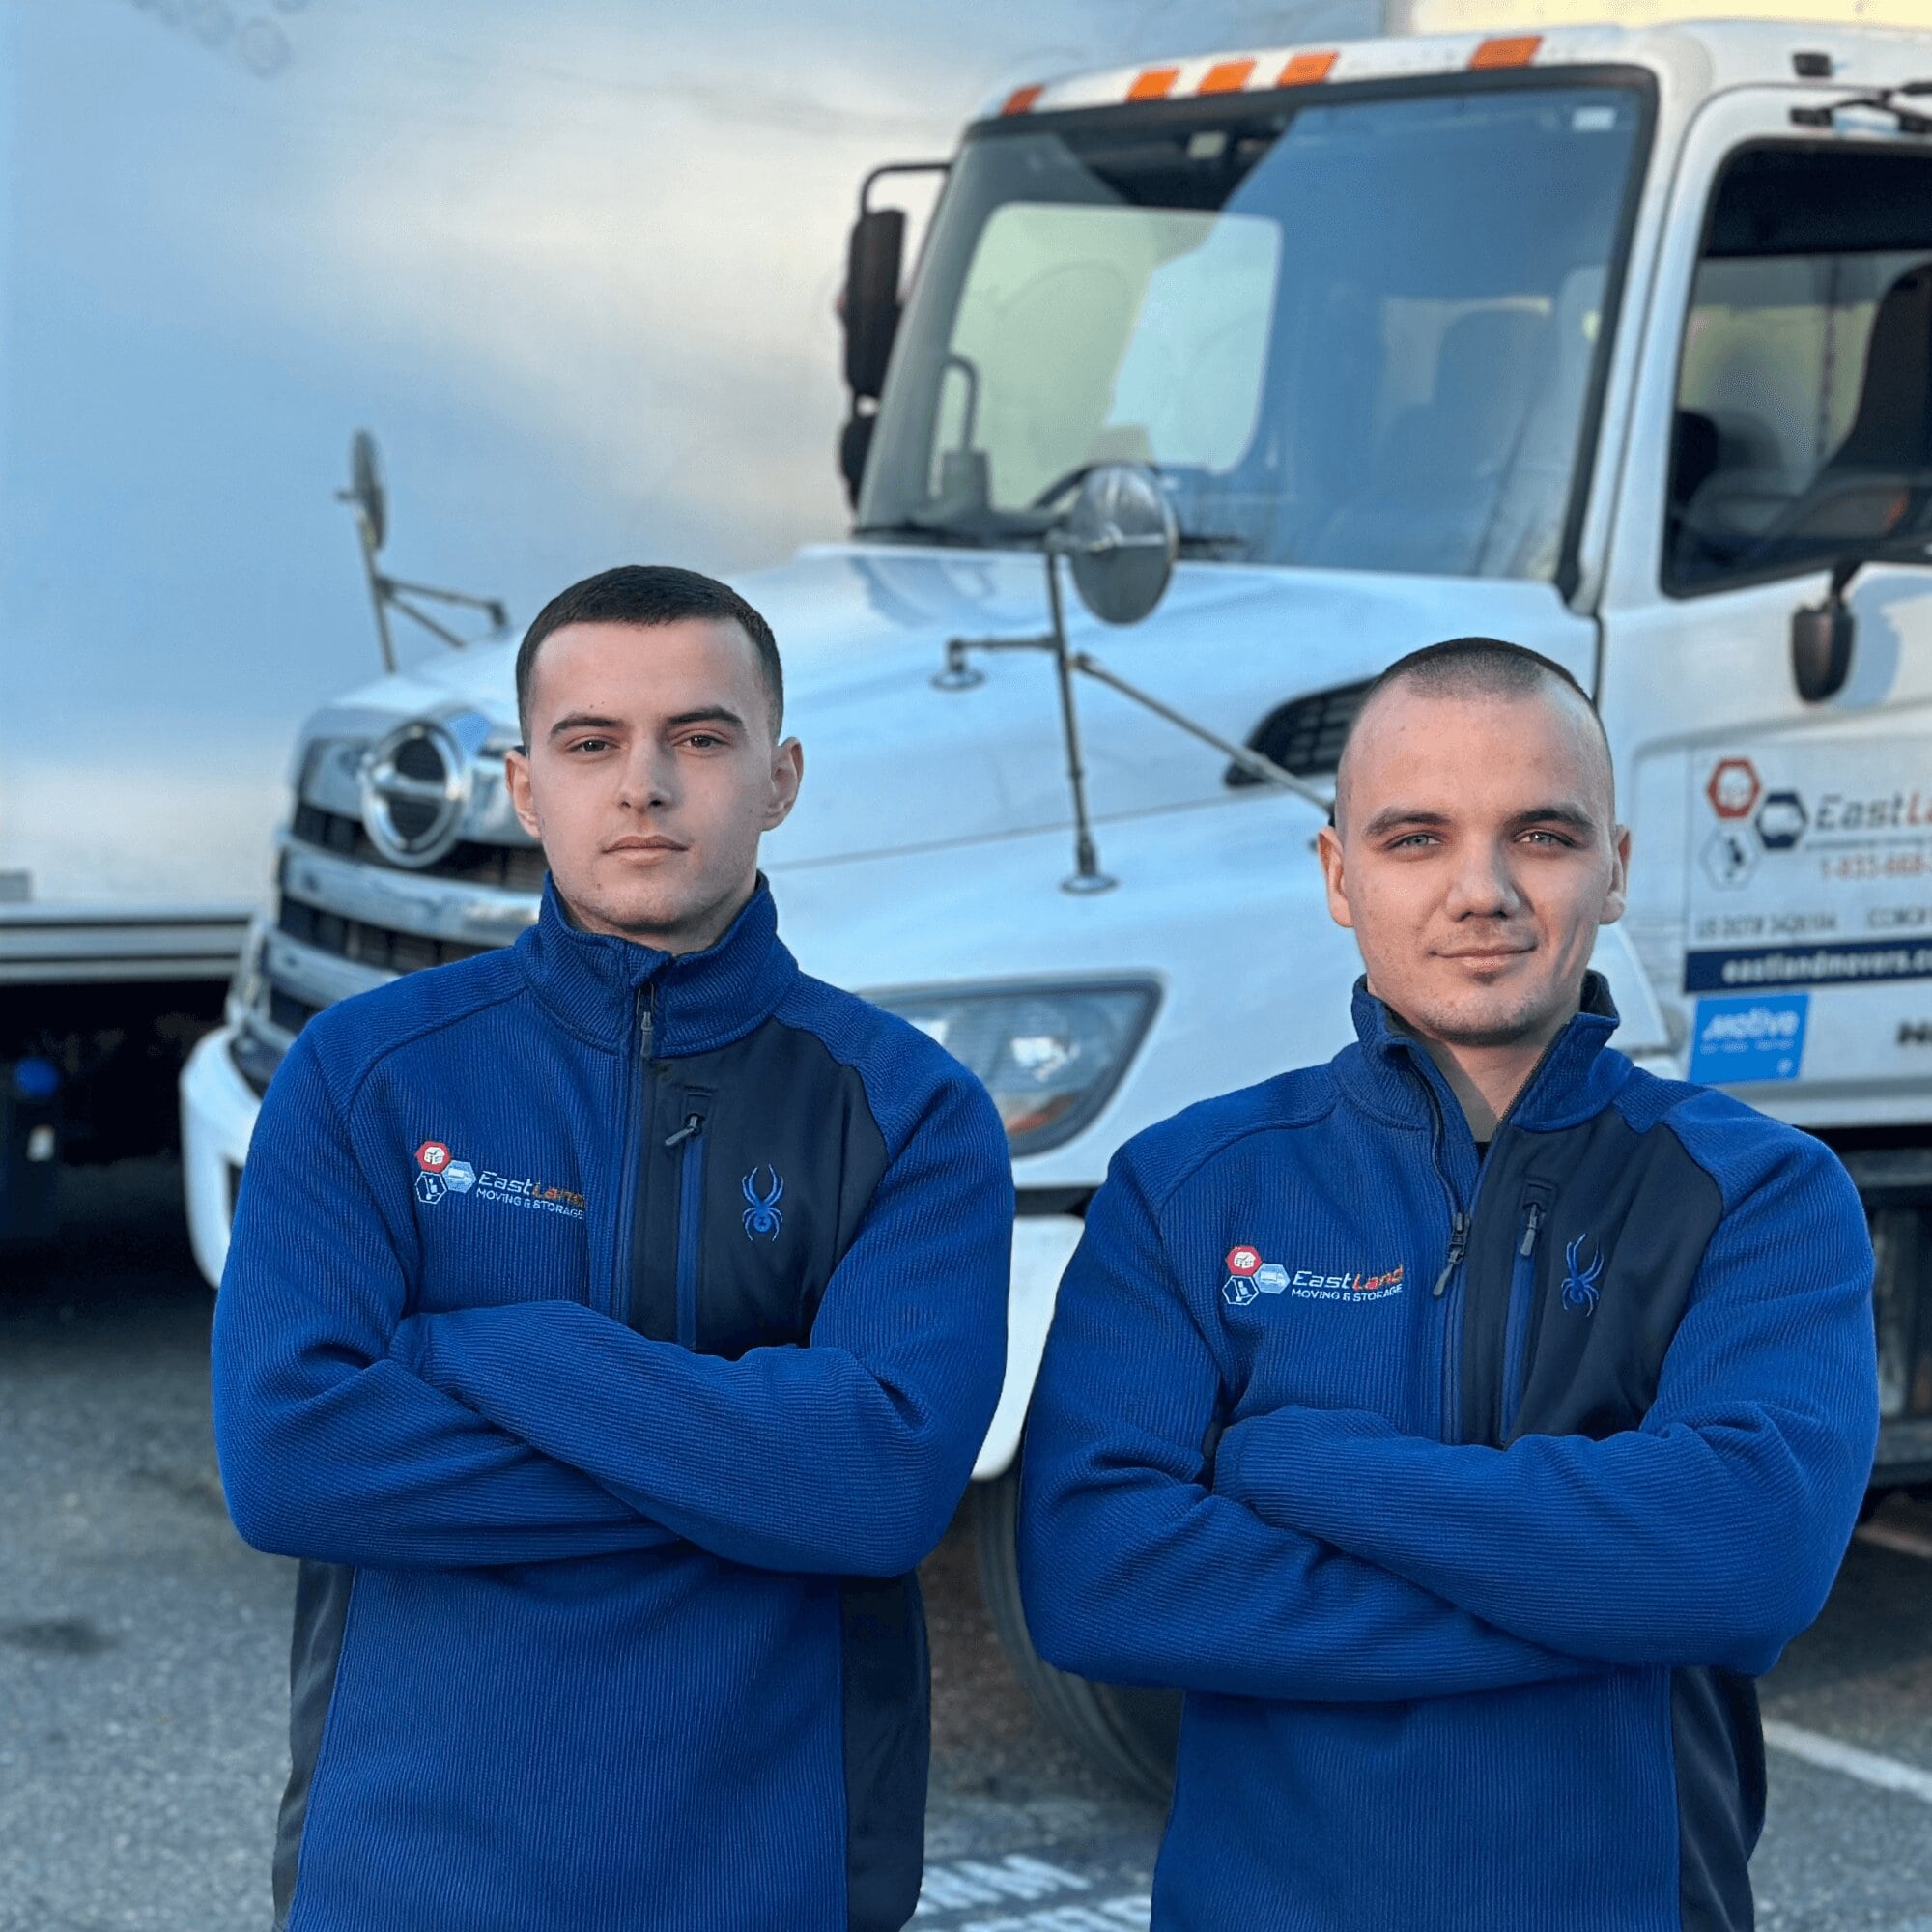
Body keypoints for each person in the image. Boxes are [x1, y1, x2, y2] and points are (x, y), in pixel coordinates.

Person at [1018, 638, 1877, 1932]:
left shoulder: (1763, 1192)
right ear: (1338, 875)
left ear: (1618, 868)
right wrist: (1608, 1605)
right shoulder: (1187, 1188)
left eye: (1540, 833)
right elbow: (1096, 1577)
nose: (1482, 890)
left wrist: (1296, 1465)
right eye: (1416, 837)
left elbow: (1748, 1557)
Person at [212, 564, 1012, 1932]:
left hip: (771, 1874)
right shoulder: (365, 1075)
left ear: (781, 776)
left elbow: (878, 1489)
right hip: (409, 1873)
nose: (644, 784)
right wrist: (751, 1475)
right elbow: (289, 1461)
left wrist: (498, 1350)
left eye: (700, 738)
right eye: (592, 743)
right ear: (528, 789)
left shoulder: (911, 1113)